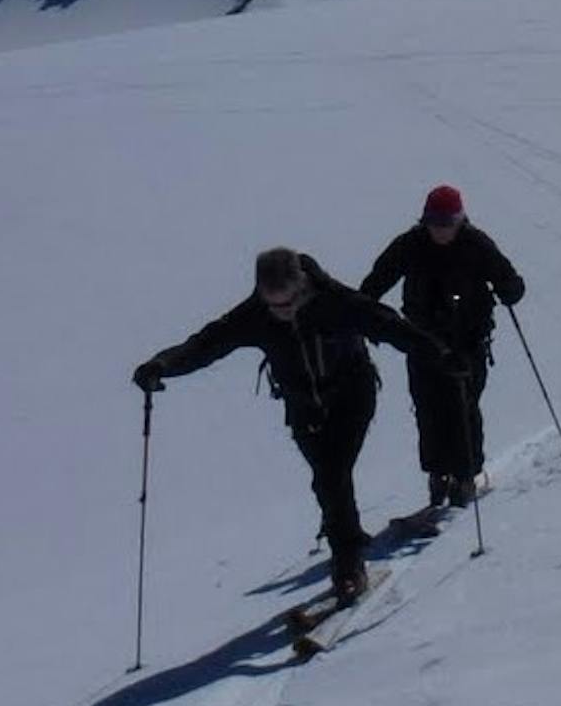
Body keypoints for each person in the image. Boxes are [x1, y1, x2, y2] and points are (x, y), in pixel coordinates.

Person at [132, 247, 453, 604]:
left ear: (302, 287)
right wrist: (161, 365)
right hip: (304, 408)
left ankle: (348, 567)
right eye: (273, 305)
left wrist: (440, 354)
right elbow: (208, 343)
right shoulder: (256, 315)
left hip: (352, 396)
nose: (281, 313)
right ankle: (348, 534)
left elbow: (390, 325)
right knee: (327, 481)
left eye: (287, 304)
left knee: (332, 476)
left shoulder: (336, 301)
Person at [361, 184, 526, 510]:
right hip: (422, 342)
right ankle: (438, 476)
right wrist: (365, 312)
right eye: (434, 223)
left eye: (446, 223)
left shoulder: (476, 244)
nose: (440, 230)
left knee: (463, 408)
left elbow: (510, 280)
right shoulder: (410, 245)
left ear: (459, 220)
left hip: (469, 342)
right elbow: (377, 280)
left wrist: (510, 290)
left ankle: (465, 477)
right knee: (428, 408)